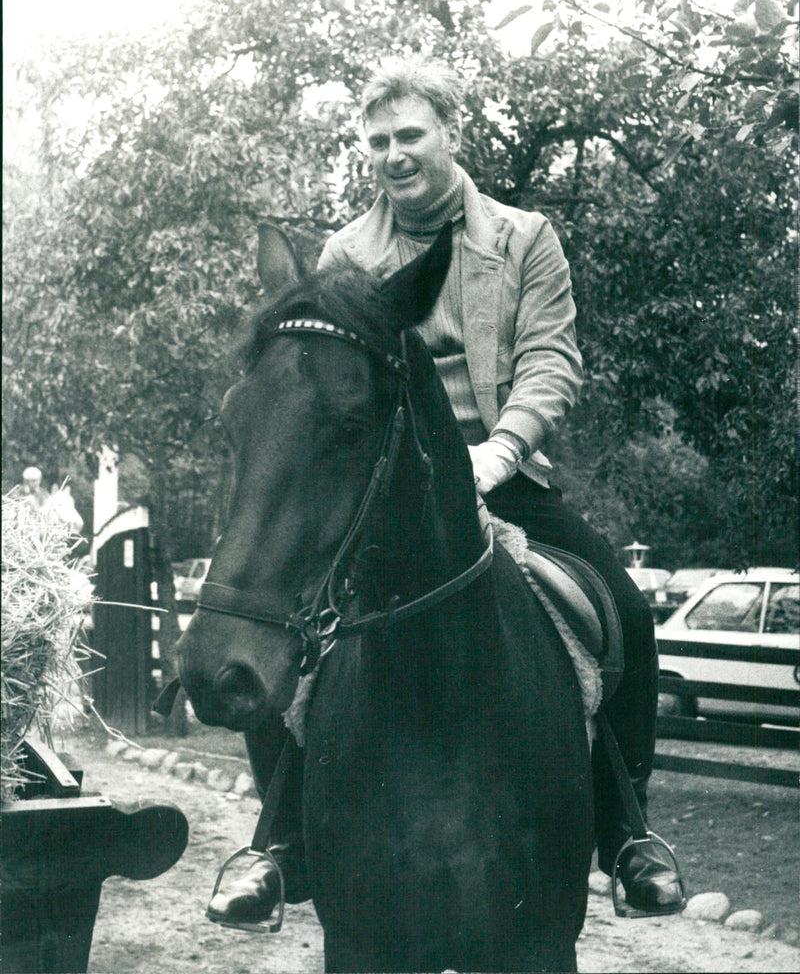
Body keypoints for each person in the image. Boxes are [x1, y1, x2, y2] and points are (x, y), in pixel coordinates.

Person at [208, 56, 684, 924]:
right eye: (378, 140)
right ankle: (279, 840)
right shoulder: (347, 254)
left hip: (504, 476)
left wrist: (498, 454)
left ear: (451, 134)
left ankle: (627, 831)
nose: (394, 154)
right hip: (387, 494)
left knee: (621, 601)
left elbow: (550, 360)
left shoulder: (524, 238)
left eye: (410, 134)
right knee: (282, 615)